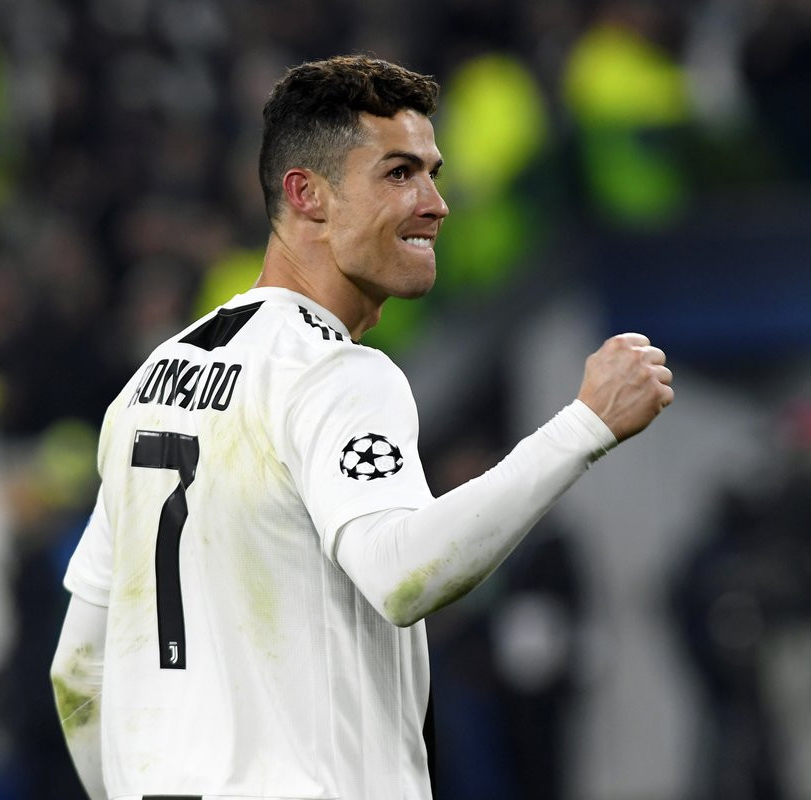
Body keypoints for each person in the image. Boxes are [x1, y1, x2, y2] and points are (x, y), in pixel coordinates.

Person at [50, 54, 673, 800]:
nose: (437, 203)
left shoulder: (149, 385)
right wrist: (585, 426)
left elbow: (77, 671)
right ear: (306, 194)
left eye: (433, 173)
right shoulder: (335, 374)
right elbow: (403, 575)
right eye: (399, 174)